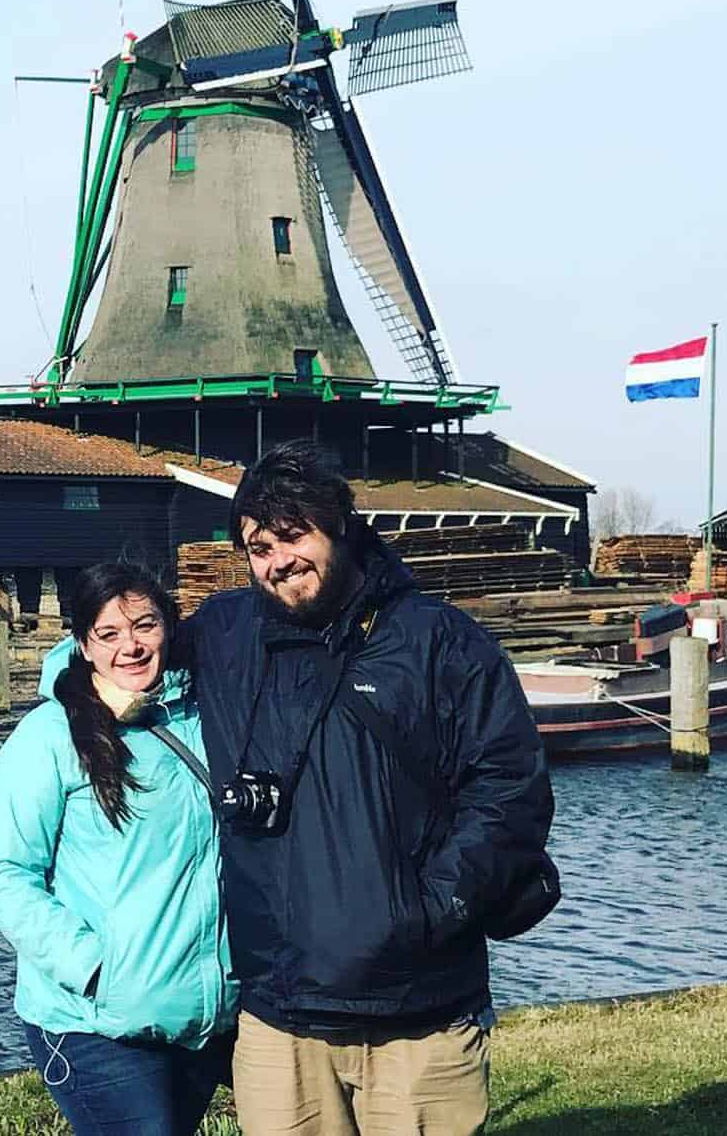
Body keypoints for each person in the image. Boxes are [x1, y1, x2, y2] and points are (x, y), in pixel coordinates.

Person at [183, 440, 555, 1136]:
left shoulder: (439, 642)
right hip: (280, 1012)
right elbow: (121, 647)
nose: (278, 560)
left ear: (343, 527)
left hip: (418, 1010)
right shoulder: (226, 635)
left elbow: (511, 787)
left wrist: (430, 907)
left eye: (296, 537)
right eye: (259, 546)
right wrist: (74, 685)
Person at [0, 561, 236, 1136]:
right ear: (82, 645)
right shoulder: (47, 737)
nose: (131, 647)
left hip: (203, 1014)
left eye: (145, 626)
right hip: (92, 1021)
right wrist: (96, 970)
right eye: (109, 634)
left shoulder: (207, 719)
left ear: (171, 626)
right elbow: (5, 877)